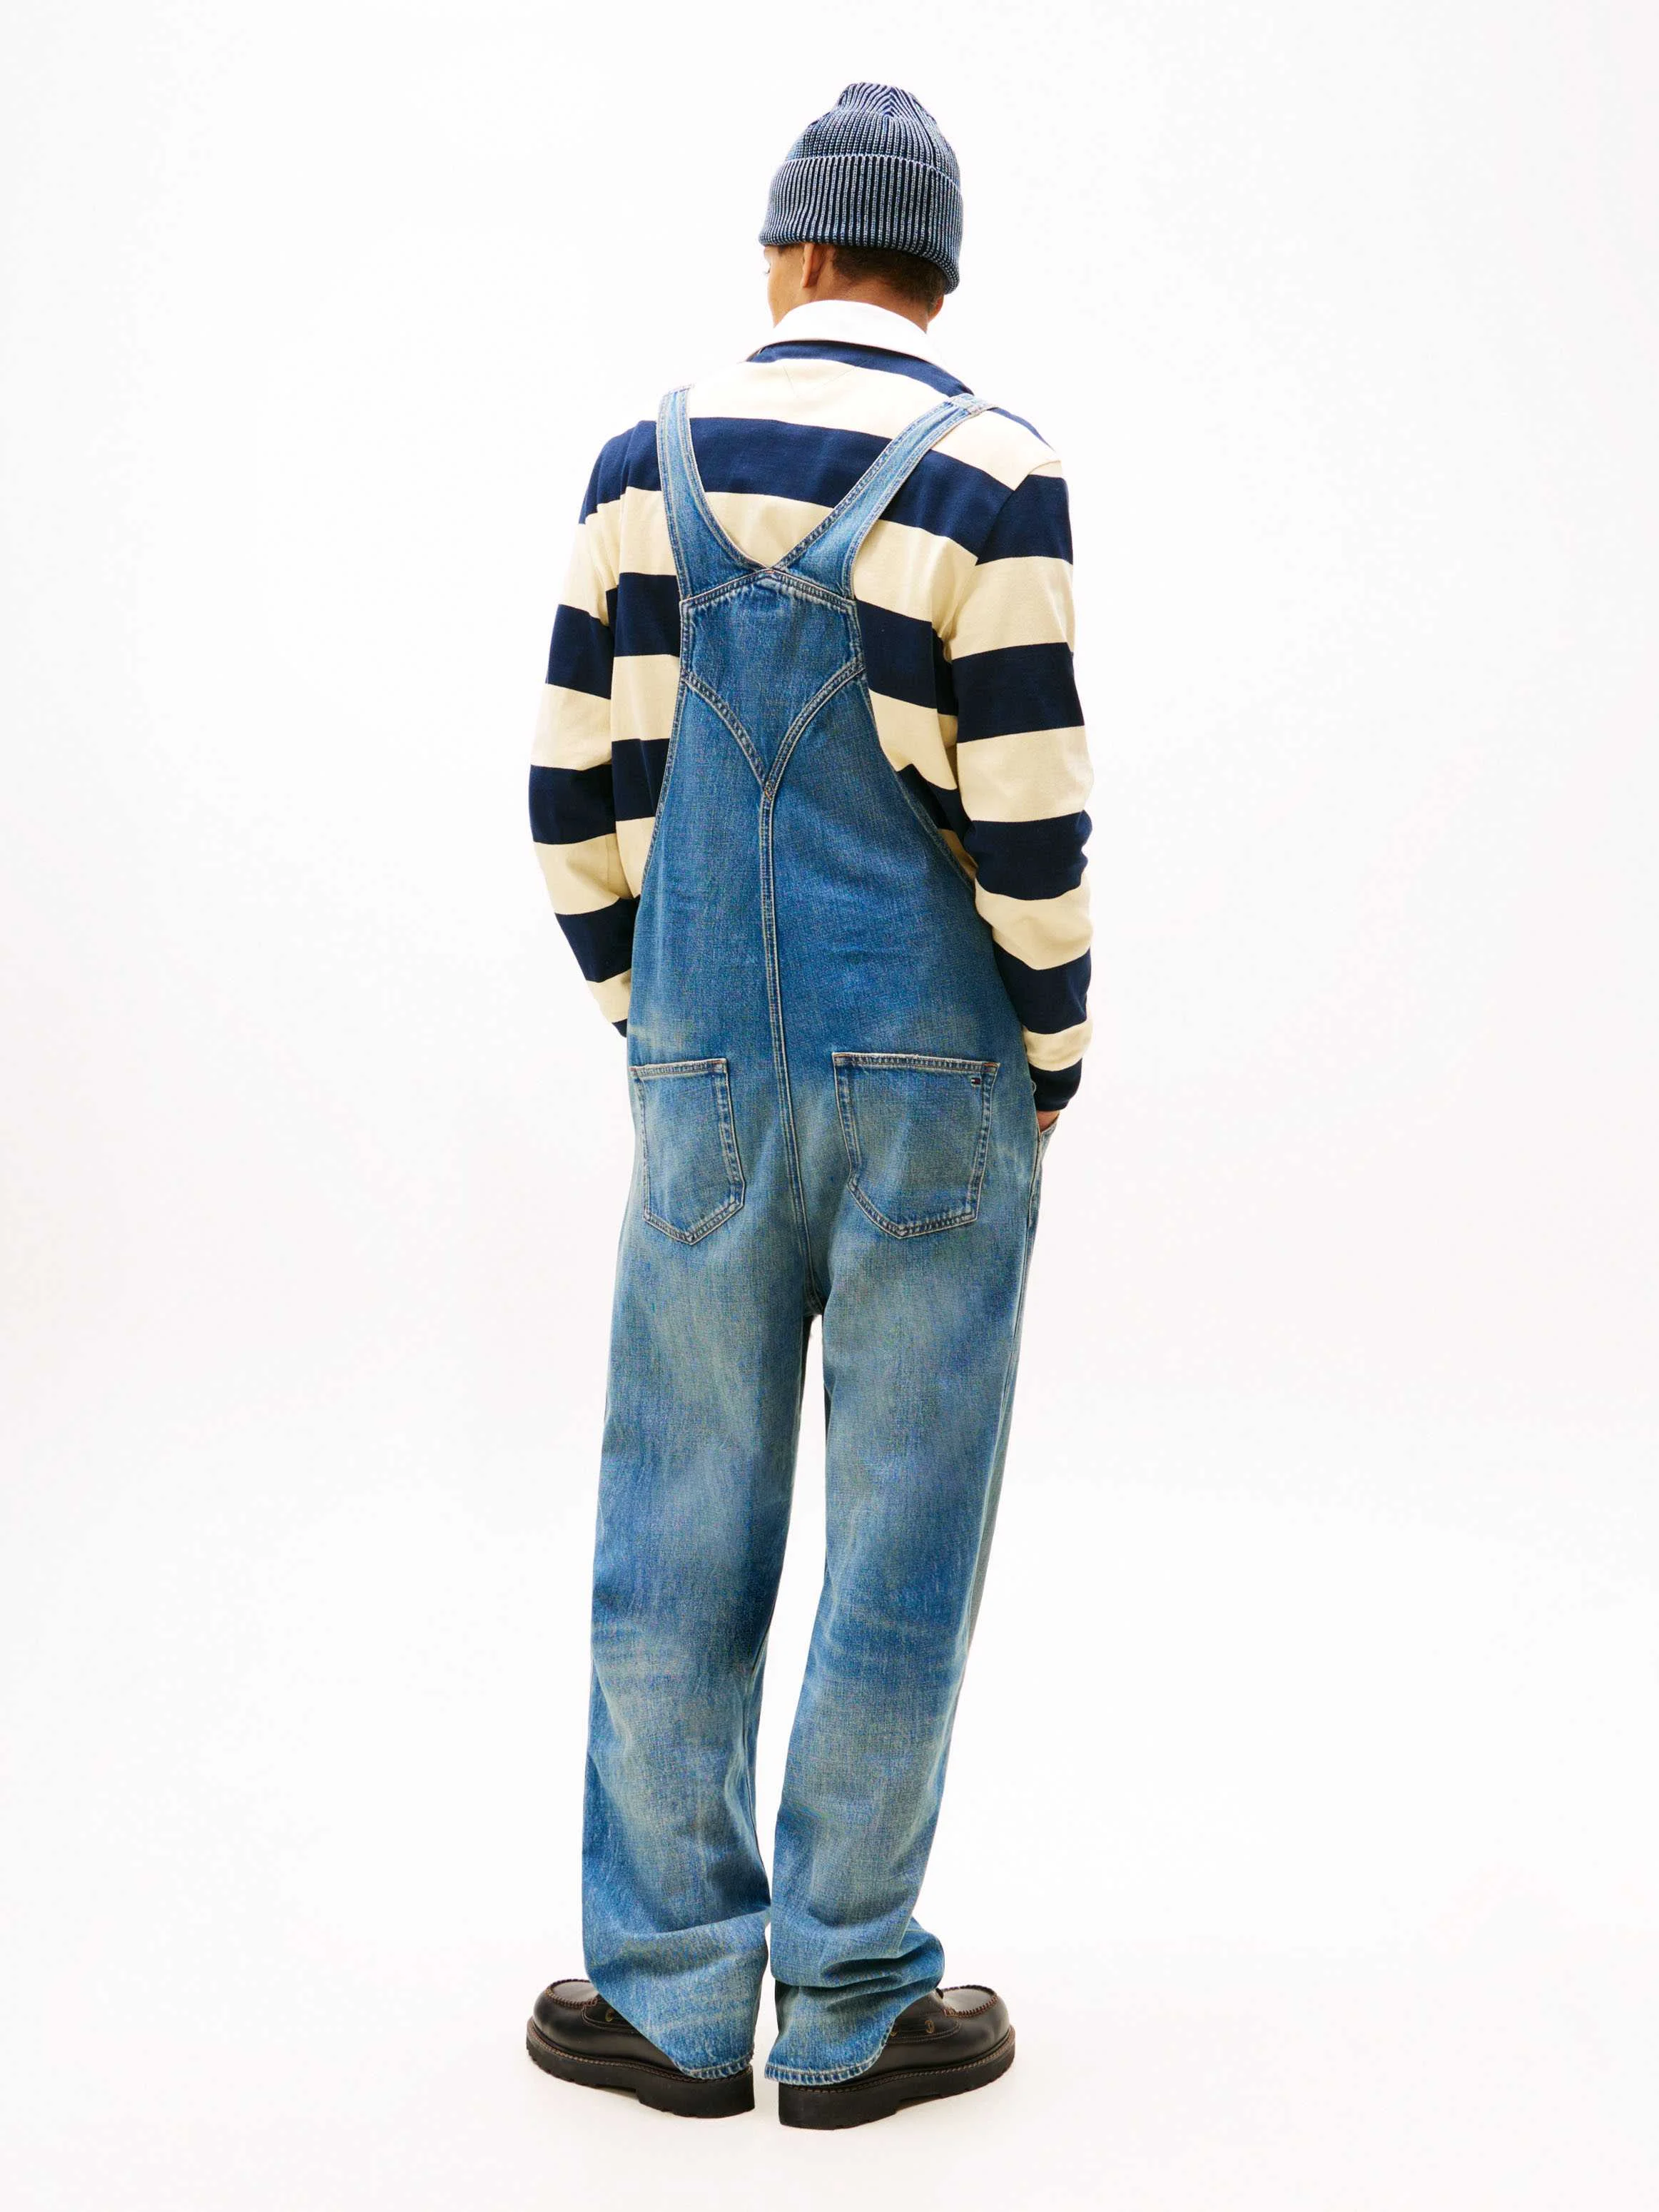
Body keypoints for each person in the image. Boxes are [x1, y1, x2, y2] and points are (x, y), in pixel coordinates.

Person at [524, 82, 1093, 2129]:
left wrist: (657, 1021)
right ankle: (850, 2000)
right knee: (902, 1535)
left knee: (675, 1513)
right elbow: (1029, 810)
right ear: (935, 272)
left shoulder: (641, 468)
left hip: (701, 1074)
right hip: (936, 1077)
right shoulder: (996, 473)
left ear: (789, 250)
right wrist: (1047, 1054)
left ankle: (674, 1996)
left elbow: (572, 796)